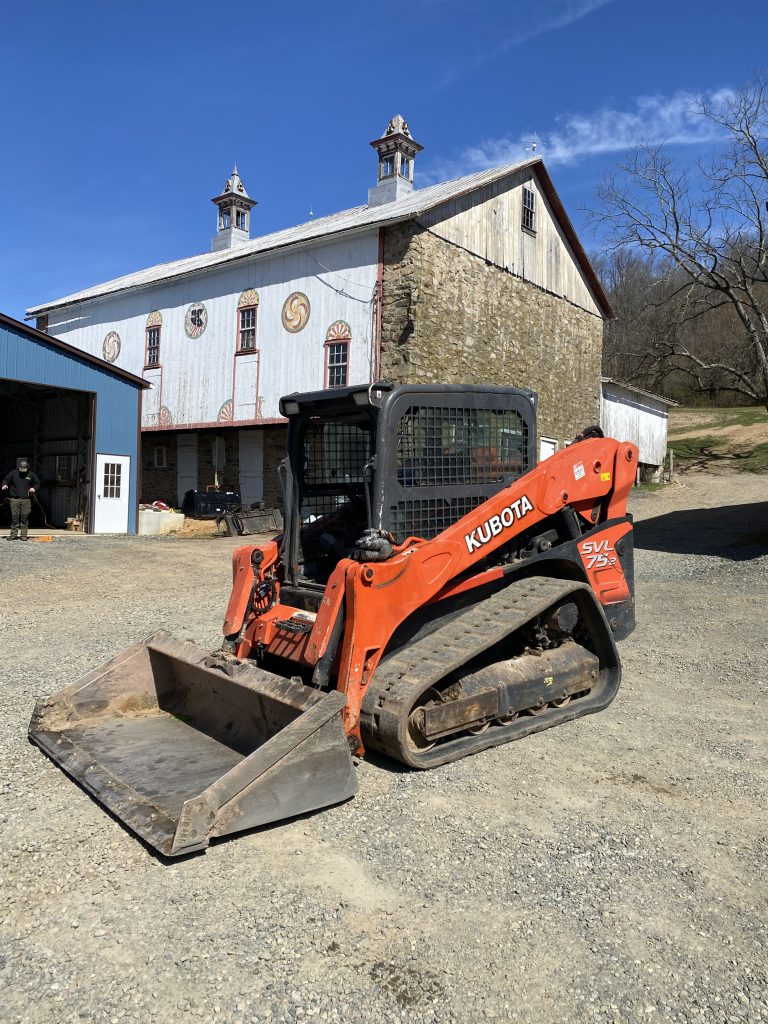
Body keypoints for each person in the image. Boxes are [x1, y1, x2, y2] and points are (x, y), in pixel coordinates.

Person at [2, 460, 41, 541]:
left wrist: (34, 488)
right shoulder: (13, 473)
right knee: (14, 517)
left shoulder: (31, 474)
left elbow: (37, 483)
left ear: (27, 468)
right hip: (14, 499)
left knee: (25, 517)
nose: (22, 471)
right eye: (21, 469)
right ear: (18, 467)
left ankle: (23, 535)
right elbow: (6, 479)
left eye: (24, 469)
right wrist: (5, 484)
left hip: (26, 499)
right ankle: (13, 535)